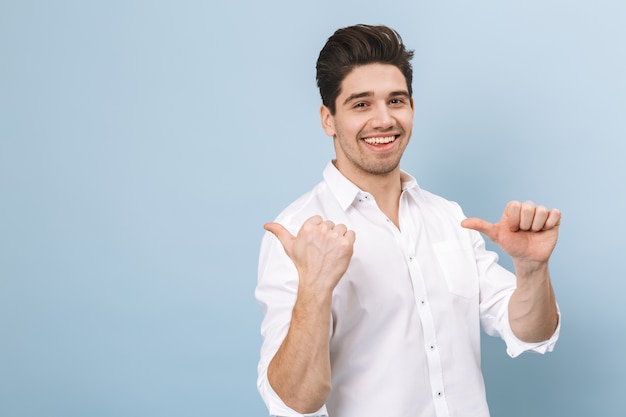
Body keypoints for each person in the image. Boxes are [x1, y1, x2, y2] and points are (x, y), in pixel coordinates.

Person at [255, 24, 560, 417]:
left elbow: (530, 333)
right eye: (361, 104)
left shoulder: (449, 218)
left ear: (412, 108)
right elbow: (293, 402)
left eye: (396, 100)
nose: (383, 120)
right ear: (328, 119)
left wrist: (533, 270)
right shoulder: (297, 234)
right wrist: (314, 289)